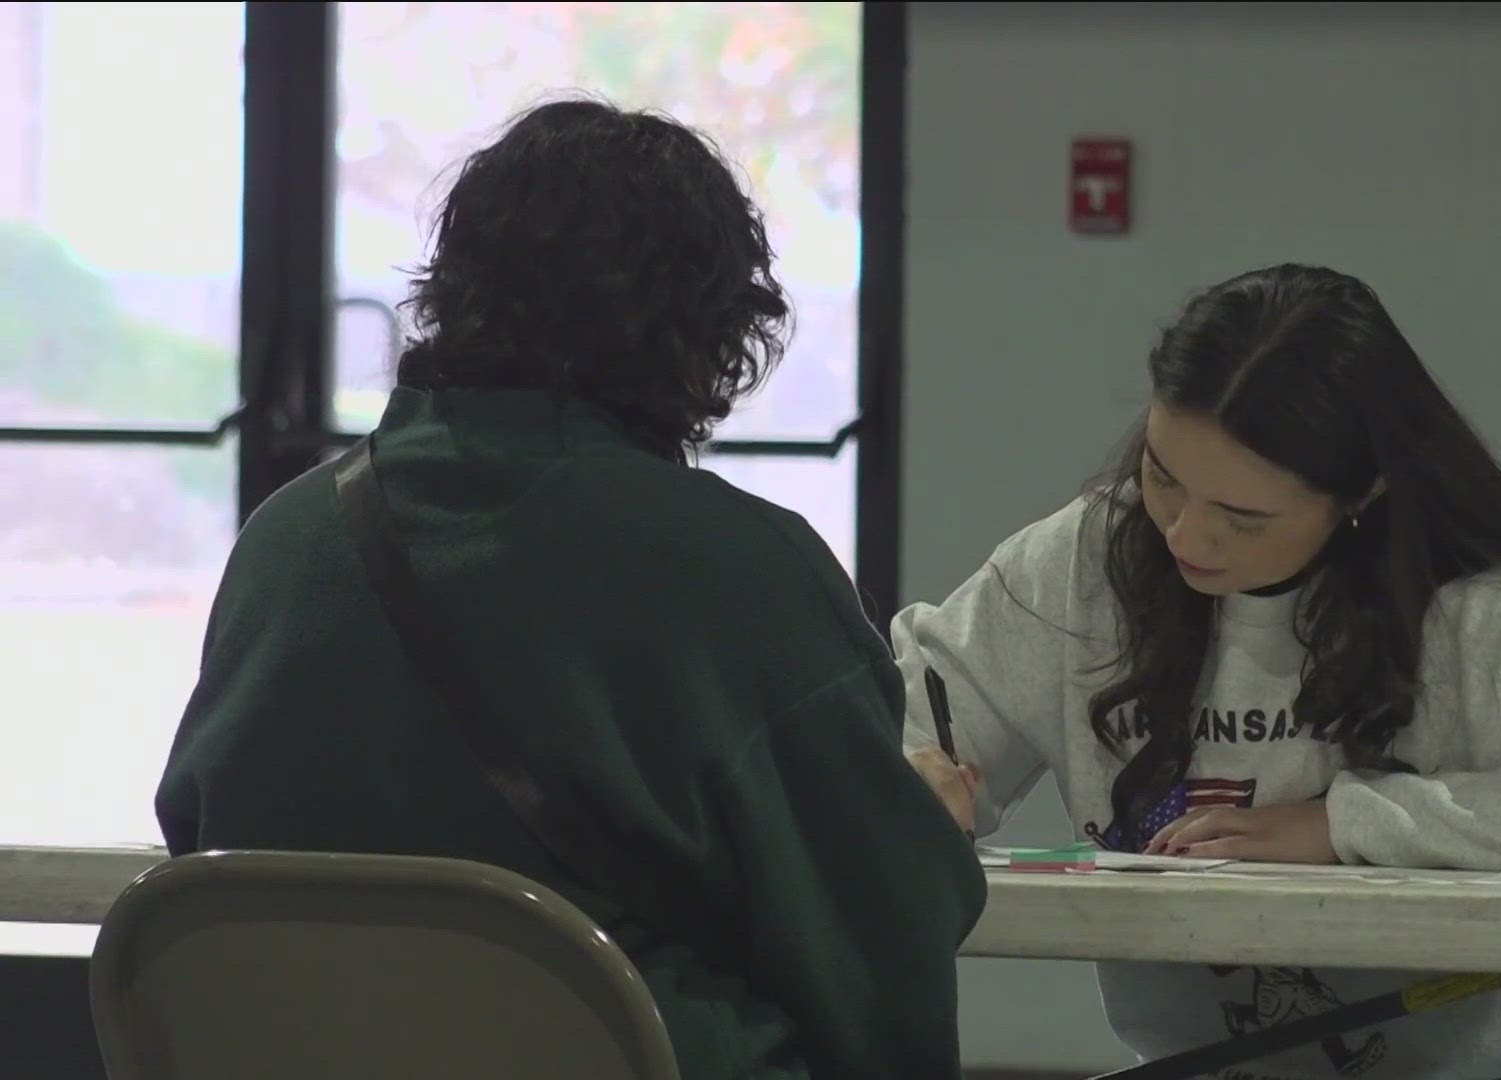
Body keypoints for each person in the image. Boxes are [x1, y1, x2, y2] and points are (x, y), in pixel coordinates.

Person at [158, 99, 984, 1079]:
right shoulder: (739, 569)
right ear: (713, 333)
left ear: (451, 291)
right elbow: (870, 954)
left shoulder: (289, 541)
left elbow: (204, 847)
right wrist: (926, 840)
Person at [893, 263, 1501, 1080]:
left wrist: (1341, 825)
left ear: (1362, 493)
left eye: (1242, 519)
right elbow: (911, 712)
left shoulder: (1497, 613)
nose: (1185, 536)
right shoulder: (1085, 562)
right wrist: (905, 774)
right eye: (1162, 477)